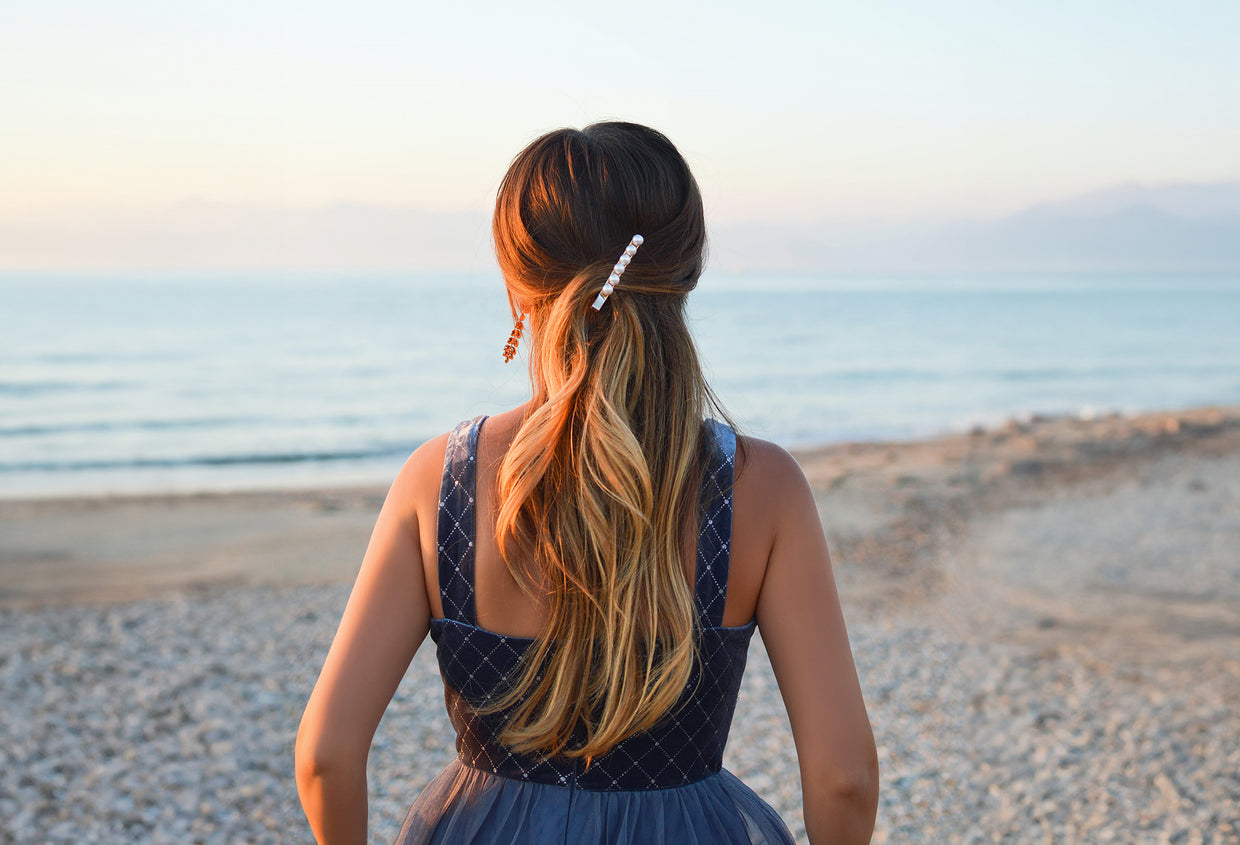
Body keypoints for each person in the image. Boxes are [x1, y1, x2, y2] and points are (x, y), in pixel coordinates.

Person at [295, 121, 879, 844]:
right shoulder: (765, 489)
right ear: (686, 272)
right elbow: (844, 776)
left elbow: (325, 756)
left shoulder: (437, 483)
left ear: (518, 287)